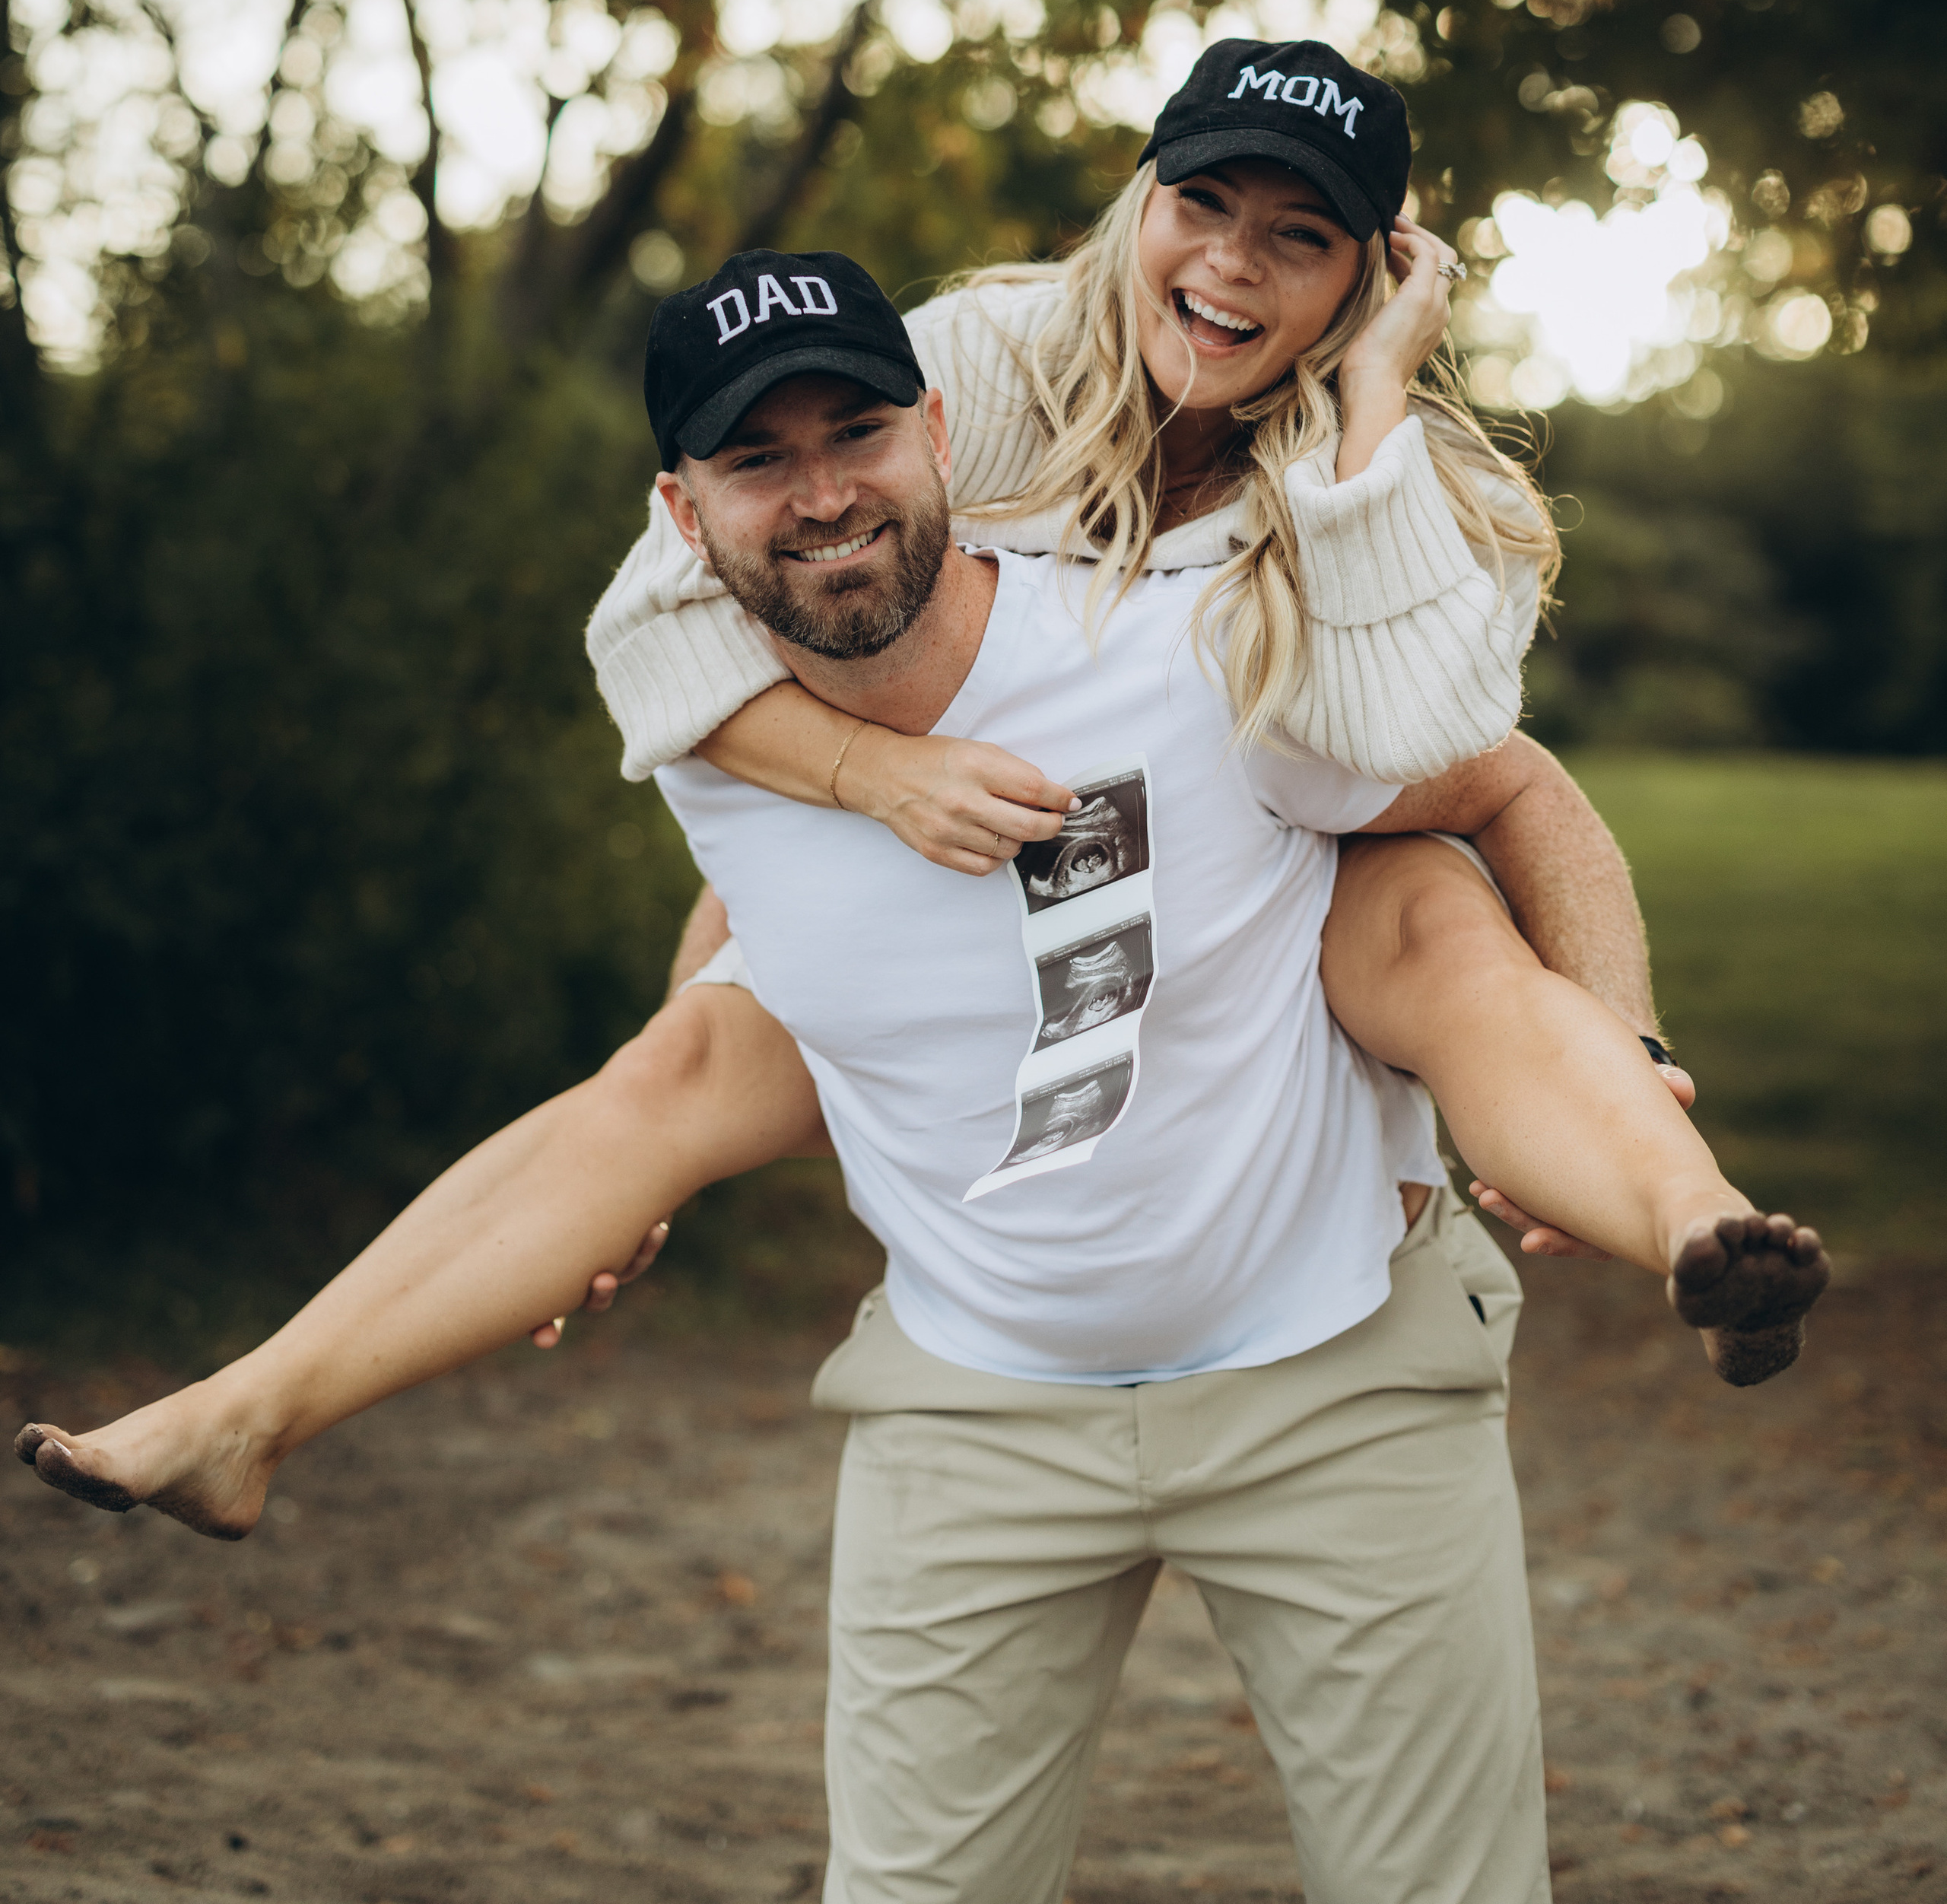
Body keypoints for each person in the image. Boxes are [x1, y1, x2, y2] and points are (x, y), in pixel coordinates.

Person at [17, 275, 1826, 1904]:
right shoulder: (706, 744)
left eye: (857, 433)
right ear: (679, 517)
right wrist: (641, 1175)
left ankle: (1699, 1232)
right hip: (976, 1406)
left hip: (1329, 1367)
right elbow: (729, 991)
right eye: (757, 460)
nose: (821, 493)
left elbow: (1501, 790)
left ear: (938, 433)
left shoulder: (1177, 641)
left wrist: (1631, 1042)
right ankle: (248, 1418)